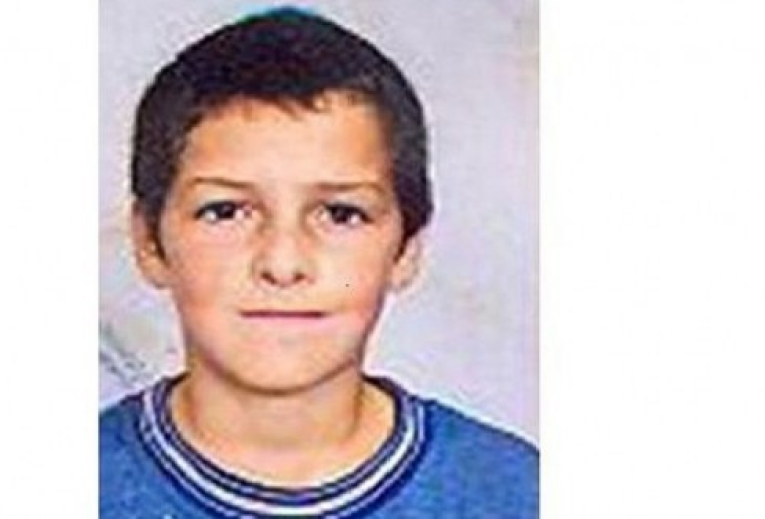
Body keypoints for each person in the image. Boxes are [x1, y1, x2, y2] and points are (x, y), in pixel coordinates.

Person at [100, 7, 538, 518]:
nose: (283, 264)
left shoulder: (517, 494)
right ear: (149, 241)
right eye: (225, 211)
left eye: (341, 214)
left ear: (407, 247)